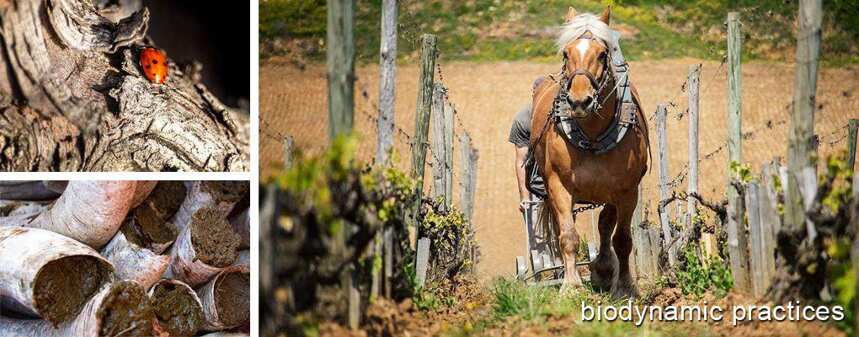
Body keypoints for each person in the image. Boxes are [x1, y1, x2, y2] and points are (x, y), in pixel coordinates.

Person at [509, 76, 546, 213]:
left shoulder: (565, 117)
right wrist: (525, 198)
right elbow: (521, 161)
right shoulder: (523, 119)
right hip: (536, 184)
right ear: (533, 93)